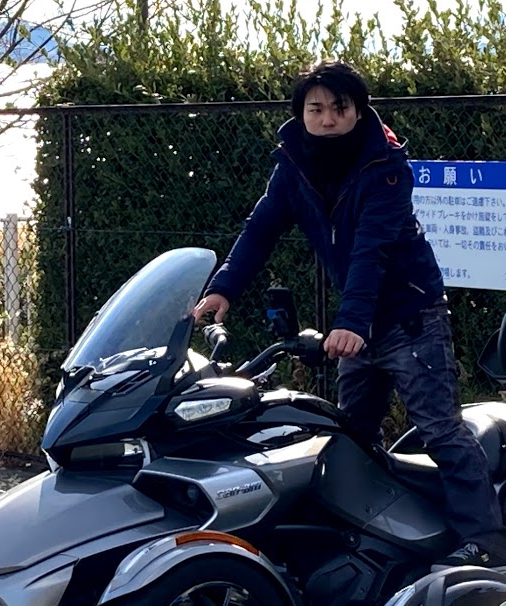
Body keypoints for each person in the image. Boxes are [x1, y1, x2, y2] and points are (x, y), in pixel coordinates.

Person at [192, 60, 506, 570]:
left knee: (440, 430)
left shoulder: (386, 166)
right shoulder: (293, 164)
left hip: (410, 316)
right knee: (354, 434)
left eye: (339, 107)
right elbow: (261, 228)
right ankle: (375, 536)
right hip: (359, 324)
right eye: (315, 108)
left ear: (358, 111)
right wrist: (222, 289)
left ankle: (486, 543)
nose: (328, 118)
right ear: (300, 114)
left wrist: (352, 324)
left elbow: (371, 250)